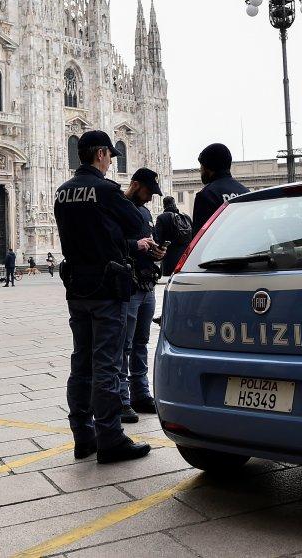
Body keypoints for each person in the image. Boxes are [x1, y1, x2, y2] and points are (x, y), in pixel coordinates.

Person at [54, 130, 160, 464]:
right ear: (100, 154)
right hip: (106, 288)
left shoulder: (62, 192)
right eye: (110, 155)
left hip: (77, 288)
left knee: (80, 362)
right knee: (107, 364)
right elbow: (134, 223)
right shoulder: (106, 190)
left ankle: (83, 436)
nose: (111, 160)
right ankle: (111, 437)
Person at [120, 168, 164, 422]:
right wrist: (137, 247)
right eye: (148, 191)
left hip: (147, 284)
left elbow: (152, 239)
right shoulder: (119, 208)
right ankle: (123, 398)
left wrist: (158, 252)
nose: (150, 197)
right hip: (129, 284)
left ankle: (140, 393)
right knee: (124, 344)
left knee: (141, 342)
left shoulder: (146, 212)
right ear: (136, 185)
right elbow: (113, 242)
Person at [192, 143, 249, 235]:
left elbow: (199, 237)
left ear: (208, 167)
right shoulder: (245, 192)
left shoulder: (206, 195)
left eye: (201, 165)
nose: (200, 170)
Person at [153, 195, 191, 276]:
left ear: (164, 206)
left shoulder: (162, 218)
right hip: (185, 259)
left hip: (170, 259)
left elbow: (157, 238)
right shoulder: (186, 217)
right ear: (174, 204)